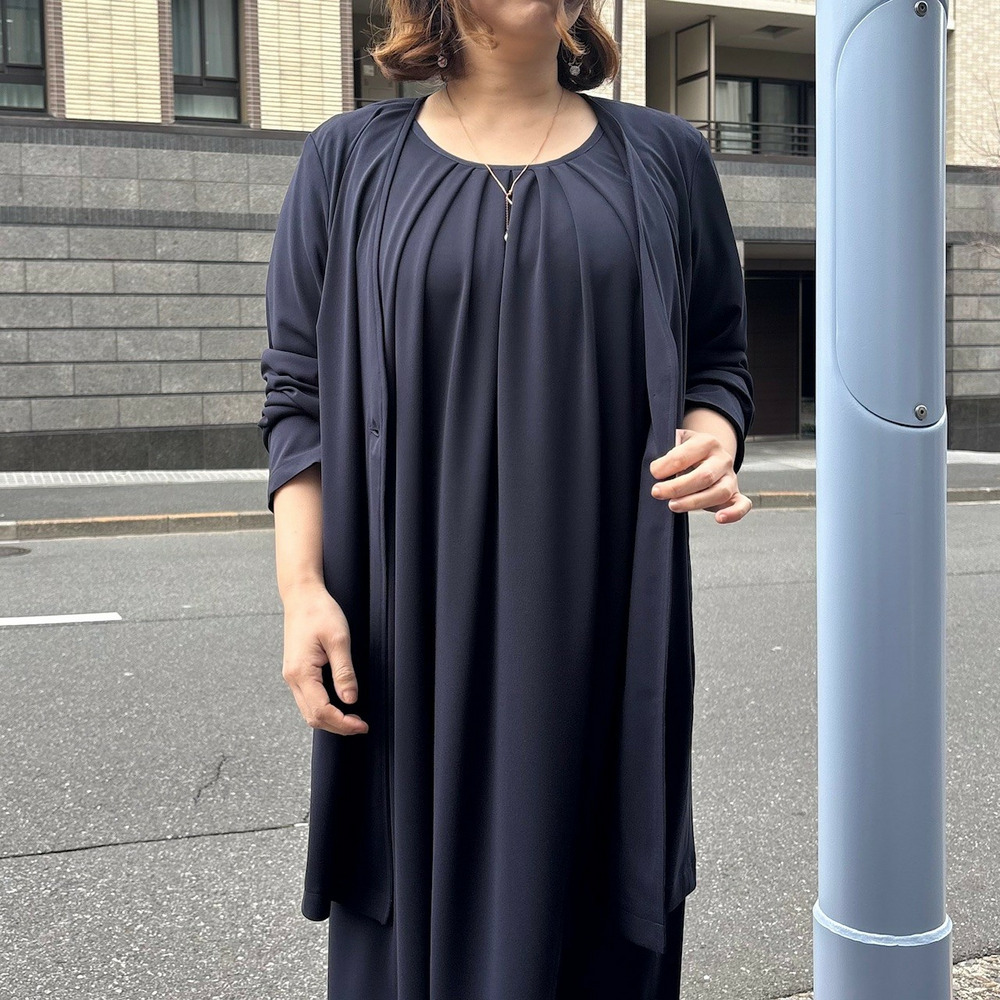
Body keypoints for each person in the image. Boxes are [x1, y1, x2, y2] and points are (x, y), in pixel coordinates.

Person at [258, 0, 754, 997]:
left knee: (596, 907)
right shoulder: (348, 159)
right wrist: (302, 591)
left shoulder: (664, 157)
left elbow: (718, 357)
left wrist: (714, 433)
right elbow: (297, 393)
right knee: (410, 911)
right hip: (403, 627)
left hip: (603, 620)